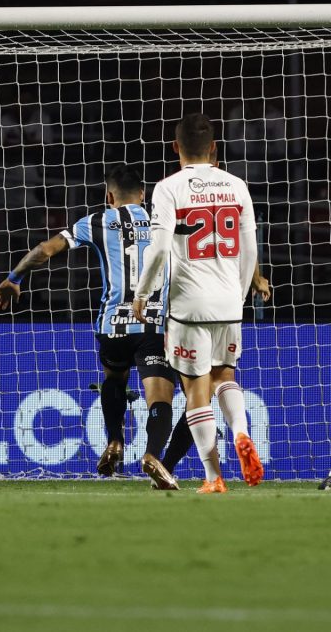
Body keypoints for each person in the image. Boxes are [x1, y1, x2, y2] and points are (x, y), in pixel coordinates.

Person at [0, 164, 182, 489]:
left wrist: (13, 279)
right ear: (143, 195)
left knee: (115, 379)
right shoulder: (164, 220)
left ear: (109, 197)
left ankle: (116, 440)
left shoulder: (95, 221)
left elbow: (45, 250)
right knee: (160, 396)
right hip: (153, 323)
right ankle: (152, 455)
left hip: (111, 325)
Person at [133, 113, 263, 494]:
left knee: (195, 390)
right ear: (215, 148)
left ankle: (213, 477)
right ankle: (241, 431)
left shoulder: (168, 188)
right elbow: (251, 248)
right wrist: (238, 295)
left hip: (188, 305)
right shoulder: (237, 186)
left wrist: (143, 293)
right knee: (226, 376)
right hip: (229, 300)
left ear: (175, 148)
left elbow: (158, 248)